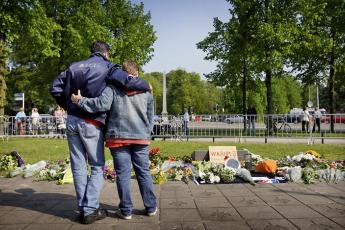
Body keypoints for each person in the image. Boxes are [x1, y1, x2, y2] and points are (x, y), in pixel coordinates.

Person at [50, 42, 150, 225]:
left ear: (92, 52)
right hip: (92, 122)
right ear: (107, 53)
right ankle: (90, 210)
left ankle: (83, 206)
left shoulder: (74, 66)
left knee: (78, 165)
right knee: (96, 166)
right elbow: (127, 80)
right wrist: (145, 84)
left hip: (72, 120)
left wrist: (68, 105)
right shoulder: (109, 67)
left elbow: (55, 88)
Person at [71, 60, 157, 220]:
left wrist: (80, 100)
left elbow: (100, 105)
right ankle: (151, 207)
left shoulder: (112, 89)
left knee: (123, 175)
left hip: (117, 138)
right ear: (137, 74)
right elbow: (150, 115)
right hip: (140, 138)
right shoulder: (146, 91)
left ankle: (126, 210)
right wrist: (147, 132)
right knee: (144, 173)